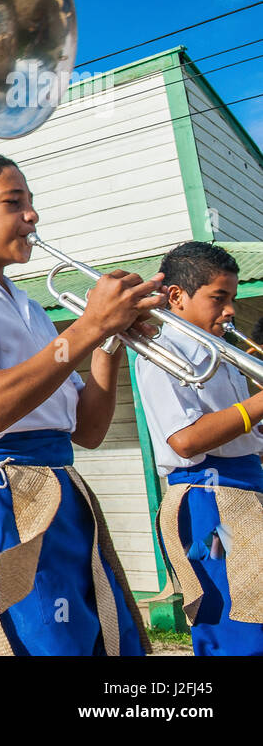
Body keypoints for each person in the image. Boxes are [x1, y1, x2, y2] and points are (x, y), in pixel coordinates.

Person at [0, 153, 160, 656]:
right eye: (14, 203)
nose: (32, 215)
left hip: (61, 487)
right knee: (42, 640)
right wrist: (89, 327)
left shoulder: (31, 306)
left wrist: (108, 345)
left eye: (32, 204)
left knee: (100, 637)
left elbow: (87, 430)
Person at [132, 242, 263, 655]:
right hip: (208, 496)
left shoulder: (220, 352)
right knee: (236, 628)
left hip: (246, 488)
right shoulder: (161, 352)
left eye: (232, 300)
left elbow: (244, 434)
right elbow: (185, 439)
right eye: (218, 299)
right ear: (177, 297)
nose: (229, 311)